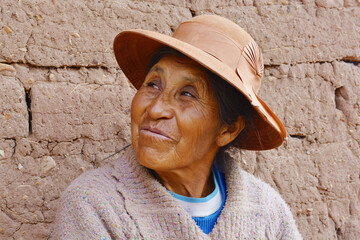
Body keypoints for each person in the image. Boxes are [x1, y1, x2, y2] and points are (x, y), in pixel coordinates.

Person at [52, 15, 302, 239]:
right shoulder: (94, 205)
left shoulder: (268, 212)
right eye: (152, 84)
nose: (156, 109)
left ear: (227, 130)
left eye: (187, 94)